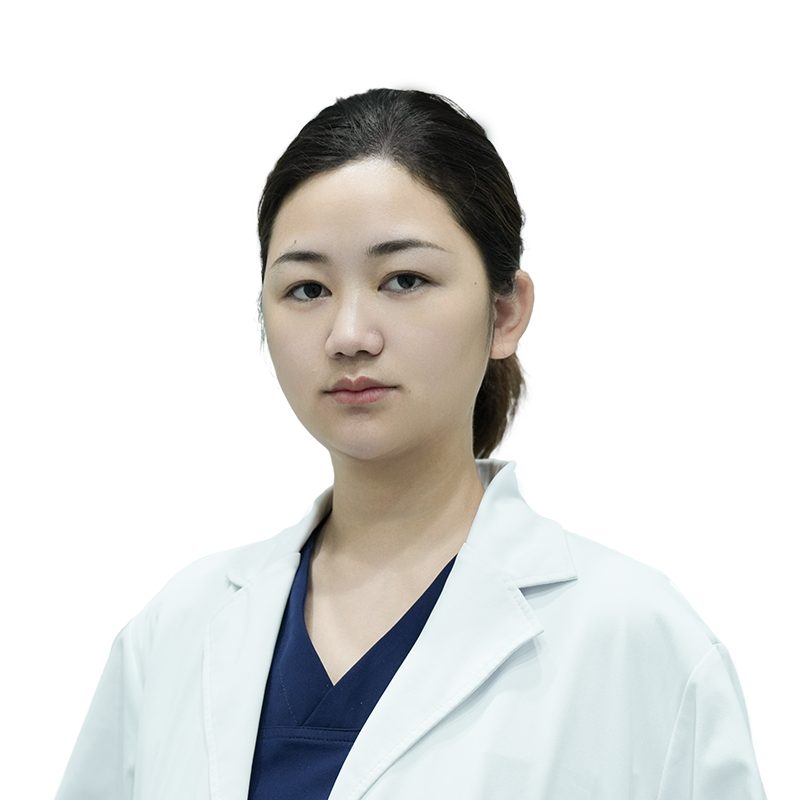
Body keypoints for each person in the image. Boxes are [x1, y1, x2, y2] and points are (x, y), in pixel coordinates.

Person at [56, 88, 765, 799]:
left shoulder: (637, 639)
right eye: (307, 289)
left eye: (404, 279)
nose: (349, 336)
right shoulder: (174, 633)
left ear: (505, 313)